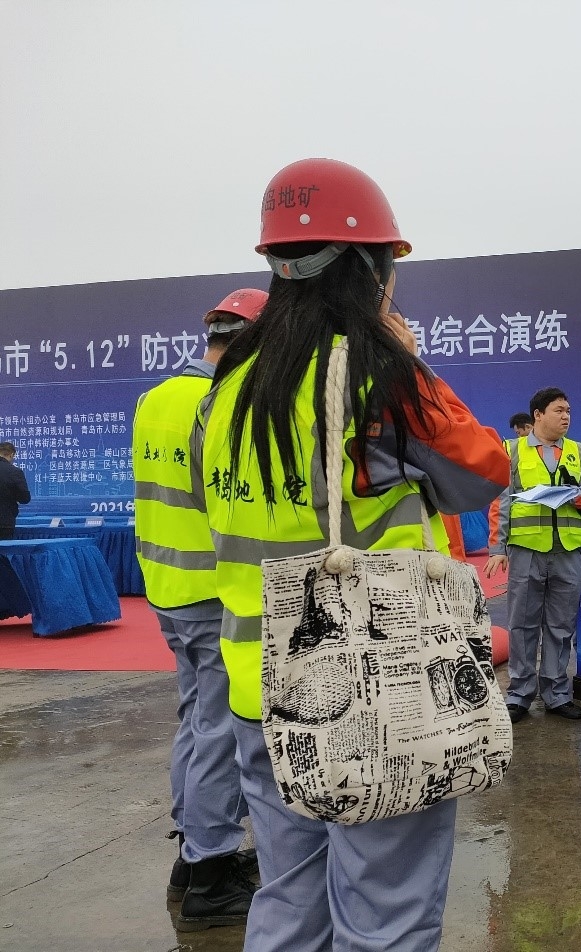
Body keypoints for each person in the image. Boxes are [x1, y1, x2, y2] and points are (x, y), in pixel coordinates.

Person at [190, 157, 509, 952]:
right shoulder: (374, 375)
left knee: (289, 901)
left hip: (256, 688)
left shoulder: (223, 395)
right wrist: (406, 359)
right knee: (386, 914)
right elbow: (480, 477)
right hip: (379, 689)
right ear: (368, 264)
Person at [133, 289, 266, 926]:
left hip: (166, 586)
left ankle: (193, 853)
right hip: (215, 589)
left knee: (195, 720)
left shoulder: (155, 397)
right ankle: (211, 874)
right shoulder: (220, 405)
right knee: (221, 732)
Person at [484, 387, 581, 723]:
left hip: (567, 550)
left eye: (568, 410)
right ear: (537, 415)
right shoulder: (513, 451)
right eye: (558, 410)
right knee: (522, 625)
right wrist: (498, 548)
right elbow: (501, 501)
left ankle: (556, 694)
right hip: (527, 551)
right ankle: (520, 694)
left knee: (561, 625)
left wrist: (573, 496)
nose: (566, 416)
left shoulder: (579, 452)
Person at [0, 442, 30, 540]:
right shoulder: (15, 472)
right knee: (3, 553)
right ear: (12, 454)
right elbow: (25, 498)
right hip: (4, 522)